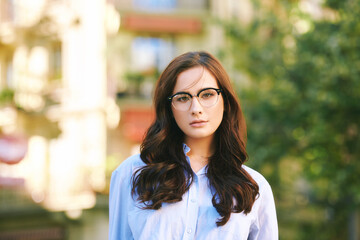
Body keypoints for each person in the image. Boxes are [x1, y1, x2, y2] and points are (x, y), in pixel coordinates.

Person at [109, 51, 278, 240]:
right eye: (182, 98)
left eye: (207, 95)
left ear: (225, 102)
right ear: (169, 108)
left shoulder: (254, 187)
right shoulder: (131, 173)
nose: (196, 109)